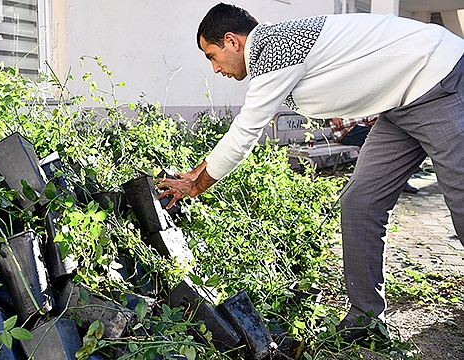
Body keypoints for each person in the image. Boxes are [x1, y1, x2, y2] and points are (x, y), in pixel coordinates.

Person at [157, 2, 464, 343]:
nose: (215, 68)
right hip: (399, 104)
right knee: (359, 204)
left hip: (439, 78)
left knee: (462, 201)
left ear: (232, 41)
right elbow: (242, 130)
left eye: (211, 55)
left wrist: (197, 186)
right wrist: (195, 172)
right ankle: (366, 322)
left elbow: (245, 132)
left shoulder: (273, 48)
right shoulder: (271, 49)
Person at [330, 116, 420, 193]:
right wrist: (333, 114)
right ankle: (398, 178)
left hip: (364, 126)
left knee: (392, 136)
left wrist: (373, 118)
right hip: (347, 131)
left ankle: (398, 179)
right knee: (386, 139)